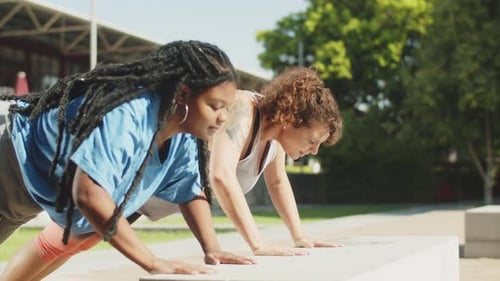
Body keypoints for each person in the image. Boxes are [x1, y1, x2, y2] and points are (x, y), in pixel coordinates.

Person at [3, 67, 344, 281]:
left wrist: (298, 235)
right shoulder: (242, 109)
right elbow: (221, 175)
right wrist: (257, 243)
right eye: (313, 140)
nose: (313, 150)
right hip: (137, 177)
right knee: (67, 237)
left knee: (76, 241)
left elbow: (276, 182)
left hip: (154, 188)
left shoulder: (271, 142)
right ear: (289, 118)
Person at [0, 40, 255, 281]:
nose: (223, 118)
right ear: (183, 94)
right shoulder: (130, 114)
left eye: (227, 108)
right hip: (8, 164)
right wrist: (153, 262)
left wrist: (212, 249)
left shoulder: (183, 134)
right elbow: (89, 194)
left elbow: (189, 190)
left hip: (25, 189)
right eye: (215, 105)